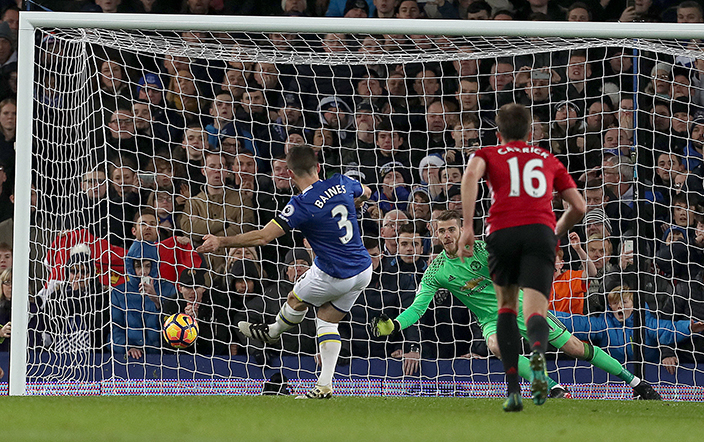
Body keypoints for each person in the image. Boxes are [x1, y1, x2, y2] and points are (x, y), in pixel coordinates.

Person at [371, 211, 662, 409]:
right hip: (489, 318)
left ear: (461, 230)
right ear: (435, 235)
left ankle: (637, 383)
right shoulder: (435, 271)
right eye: (441, 231)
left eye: (451, 229)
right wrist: (395, 325)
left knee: (574, 348)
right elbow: (417, 308)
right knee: (497, 345)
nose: (447, 235)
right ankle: (552, 387)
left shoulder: (482, 249)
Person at [197, 144, 373, 399]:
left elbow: (263, 237)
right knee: (326, 319)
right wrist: (354, 205)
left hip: (333, 273)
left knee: (294, 299)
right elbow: (366, 191)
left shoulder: (301, 204)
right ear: (318, 167)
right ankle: (324, 386)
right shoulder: (343, 182)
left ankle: (272, 332)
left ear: (290, 174)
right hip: (363, 270)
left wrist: (221, 241)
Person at [458, 103, 587, 410]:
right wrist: (555, 232)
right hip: (540, 232)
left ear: (498, 131)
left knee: (505, 308)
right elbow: (580, 207)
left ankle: (514, 390)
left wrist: (466, 226)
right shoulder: (547, 158)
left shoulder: (487, 154)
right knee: (535, 311)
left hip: (502, 231)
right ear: (530, 132)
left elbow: (469, 177)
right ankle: (540, 357)